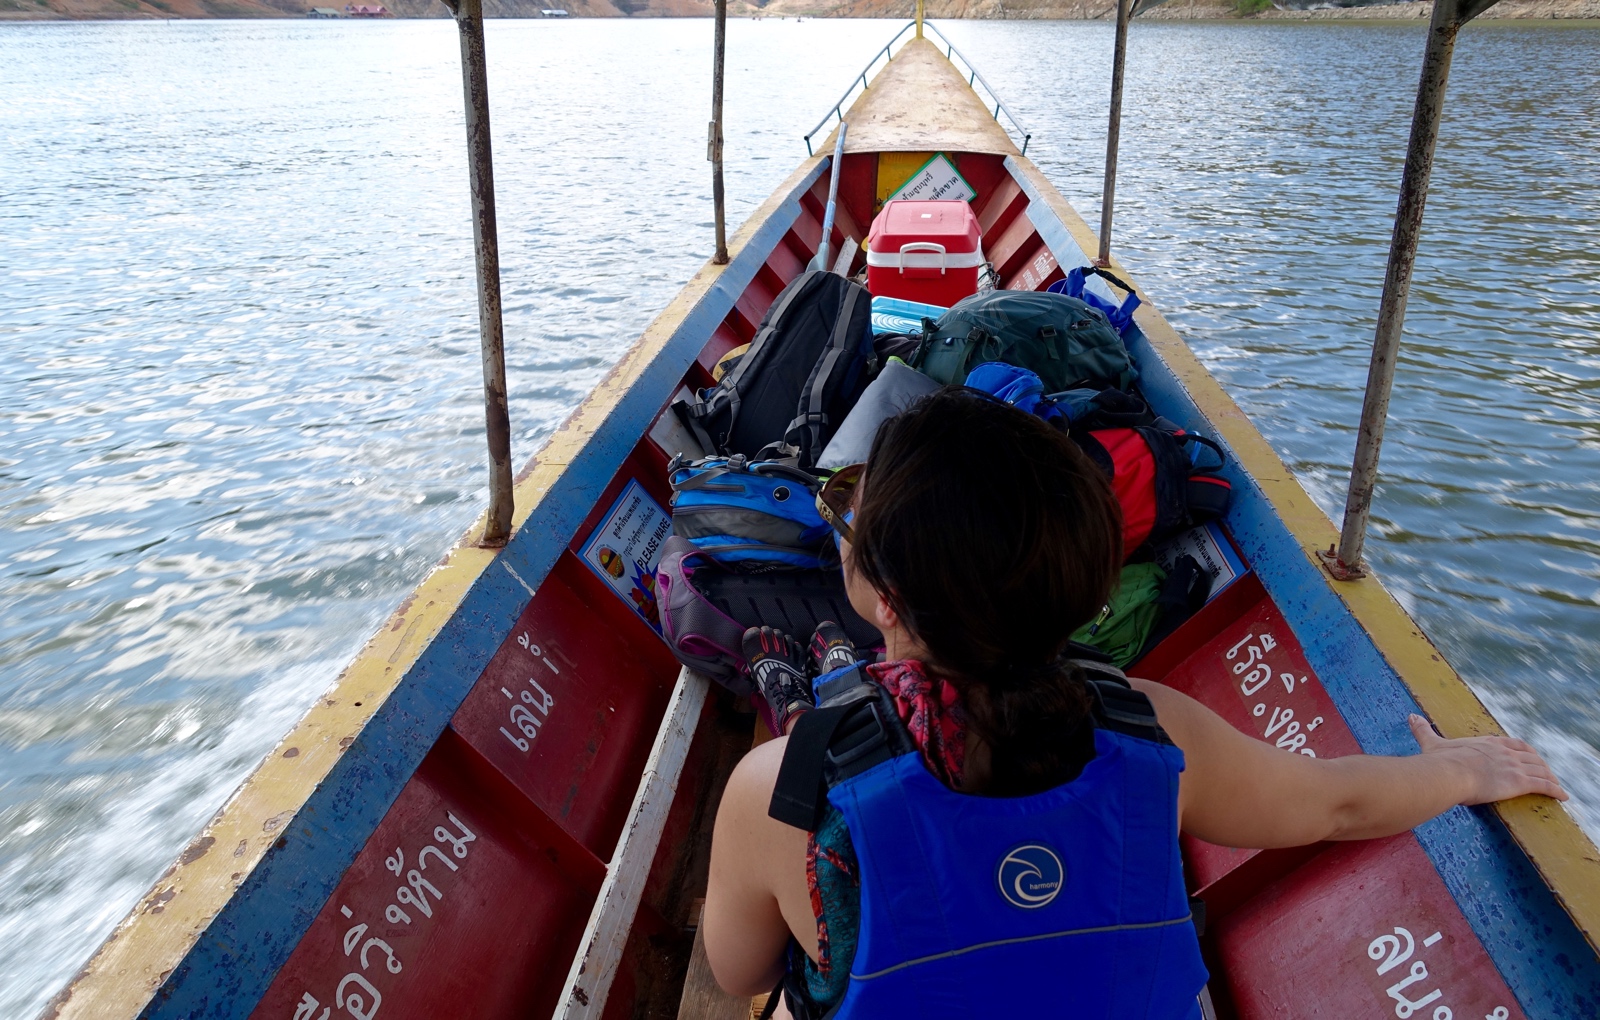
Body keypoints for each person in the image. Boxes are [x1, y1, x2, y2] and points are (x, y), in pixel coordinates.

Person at [702, 388, 1567, 1019]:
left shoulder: (785, 787)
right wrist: (1458, 770)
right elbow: (1337, 805)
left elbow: (736, 970)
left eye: (848, 509)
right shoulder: (1152, 727)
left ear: (884, 596)